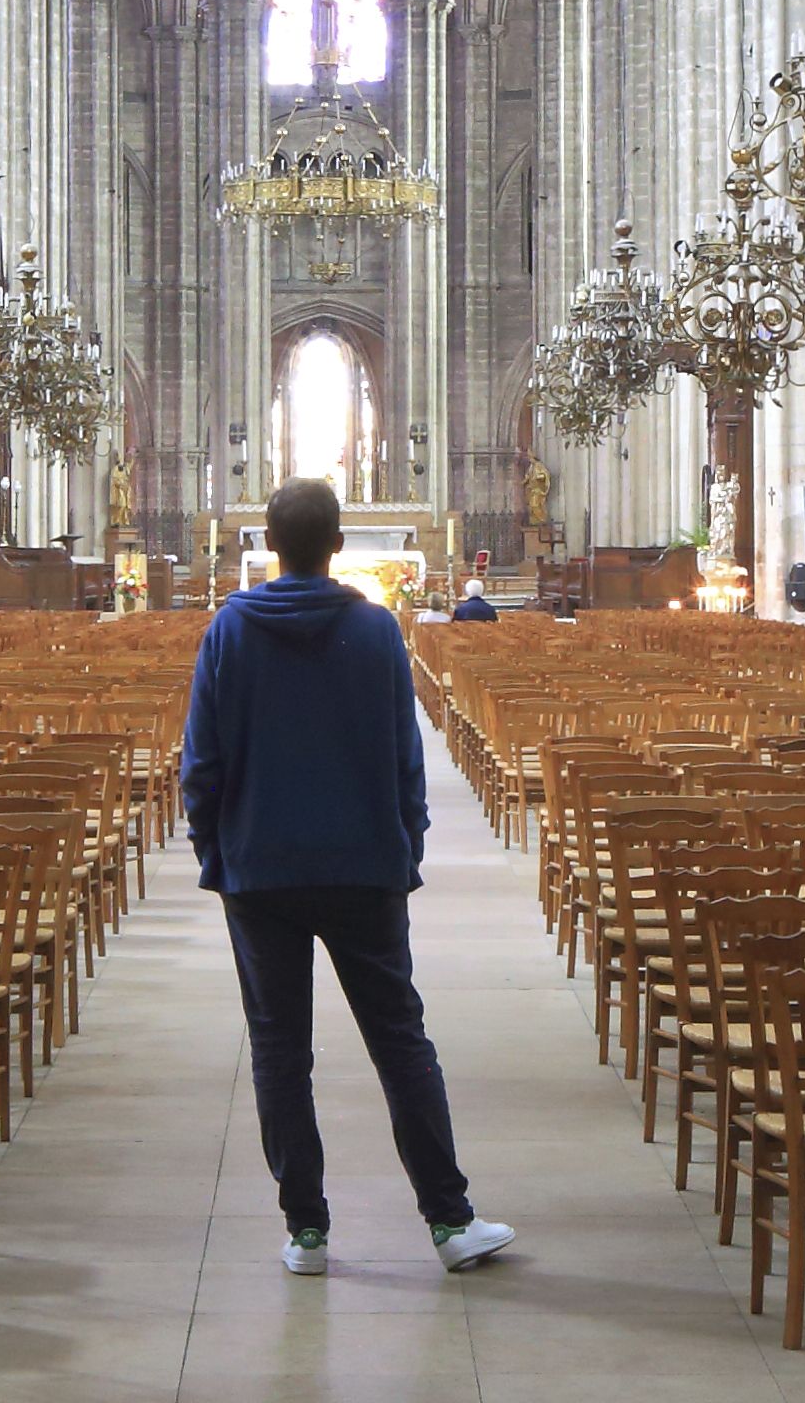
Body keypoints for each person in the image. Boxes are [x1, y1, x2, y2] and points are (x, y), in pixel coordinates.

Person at [180, 477, 514, 1279]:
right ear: (337, 546)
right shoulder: (373, 632)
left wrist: (216, 851)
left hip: (261, 871)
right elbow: (408, 757)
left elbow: (202, 763)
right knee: (400, 1040)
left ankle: (307, 1233)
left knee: (279, 1049)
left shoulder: (228, 633)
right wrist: (408, 847)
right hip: (365, 865)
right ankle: (450, 1220)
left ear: (269, 541)